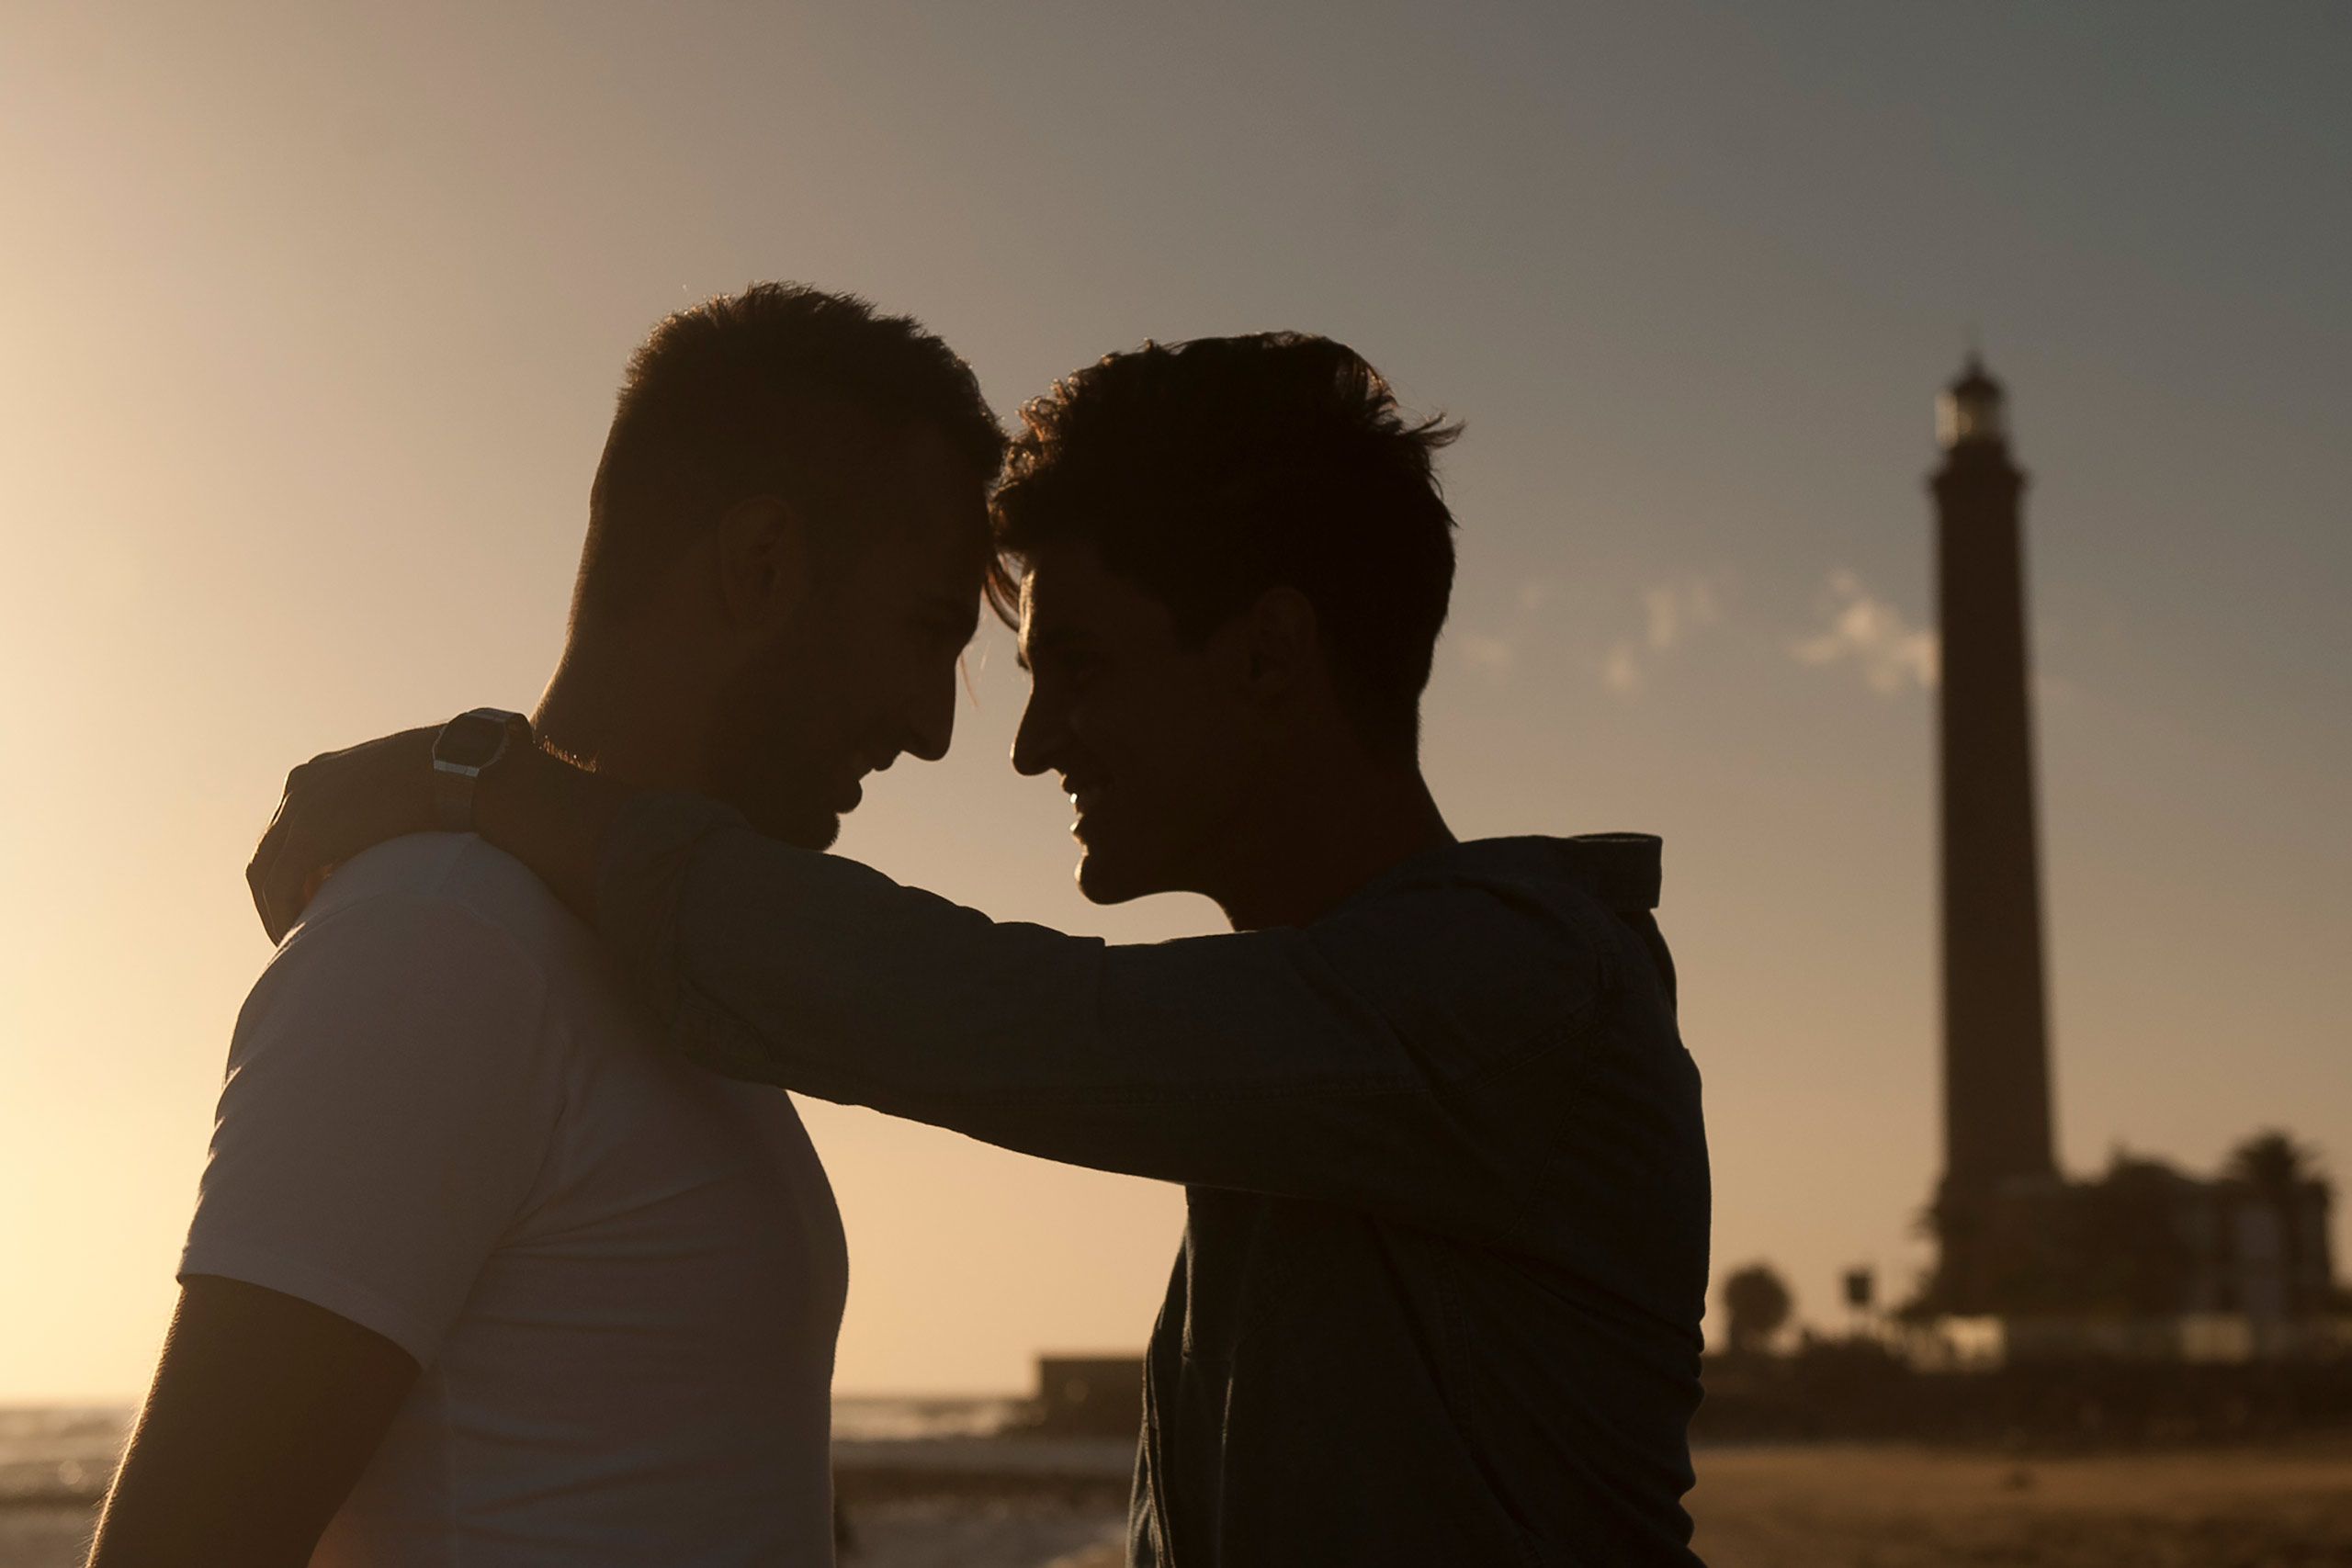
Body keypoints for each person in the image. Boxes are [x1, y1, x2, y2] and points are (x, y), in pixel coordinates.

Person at [250, 333, 1714, 1566]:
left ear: (1270, 658)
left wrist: (492, 781)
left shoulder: (1523, 995)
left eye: (1079, 666)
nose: (1023, 745)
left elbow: (1001, 1016)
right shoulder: (1313, 1063)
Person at [91, 283, 1006, 1567]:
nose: (935, 725)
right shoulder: (442, 947)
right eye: (927, 631)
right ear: (761, 563)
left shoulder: (651, 972)